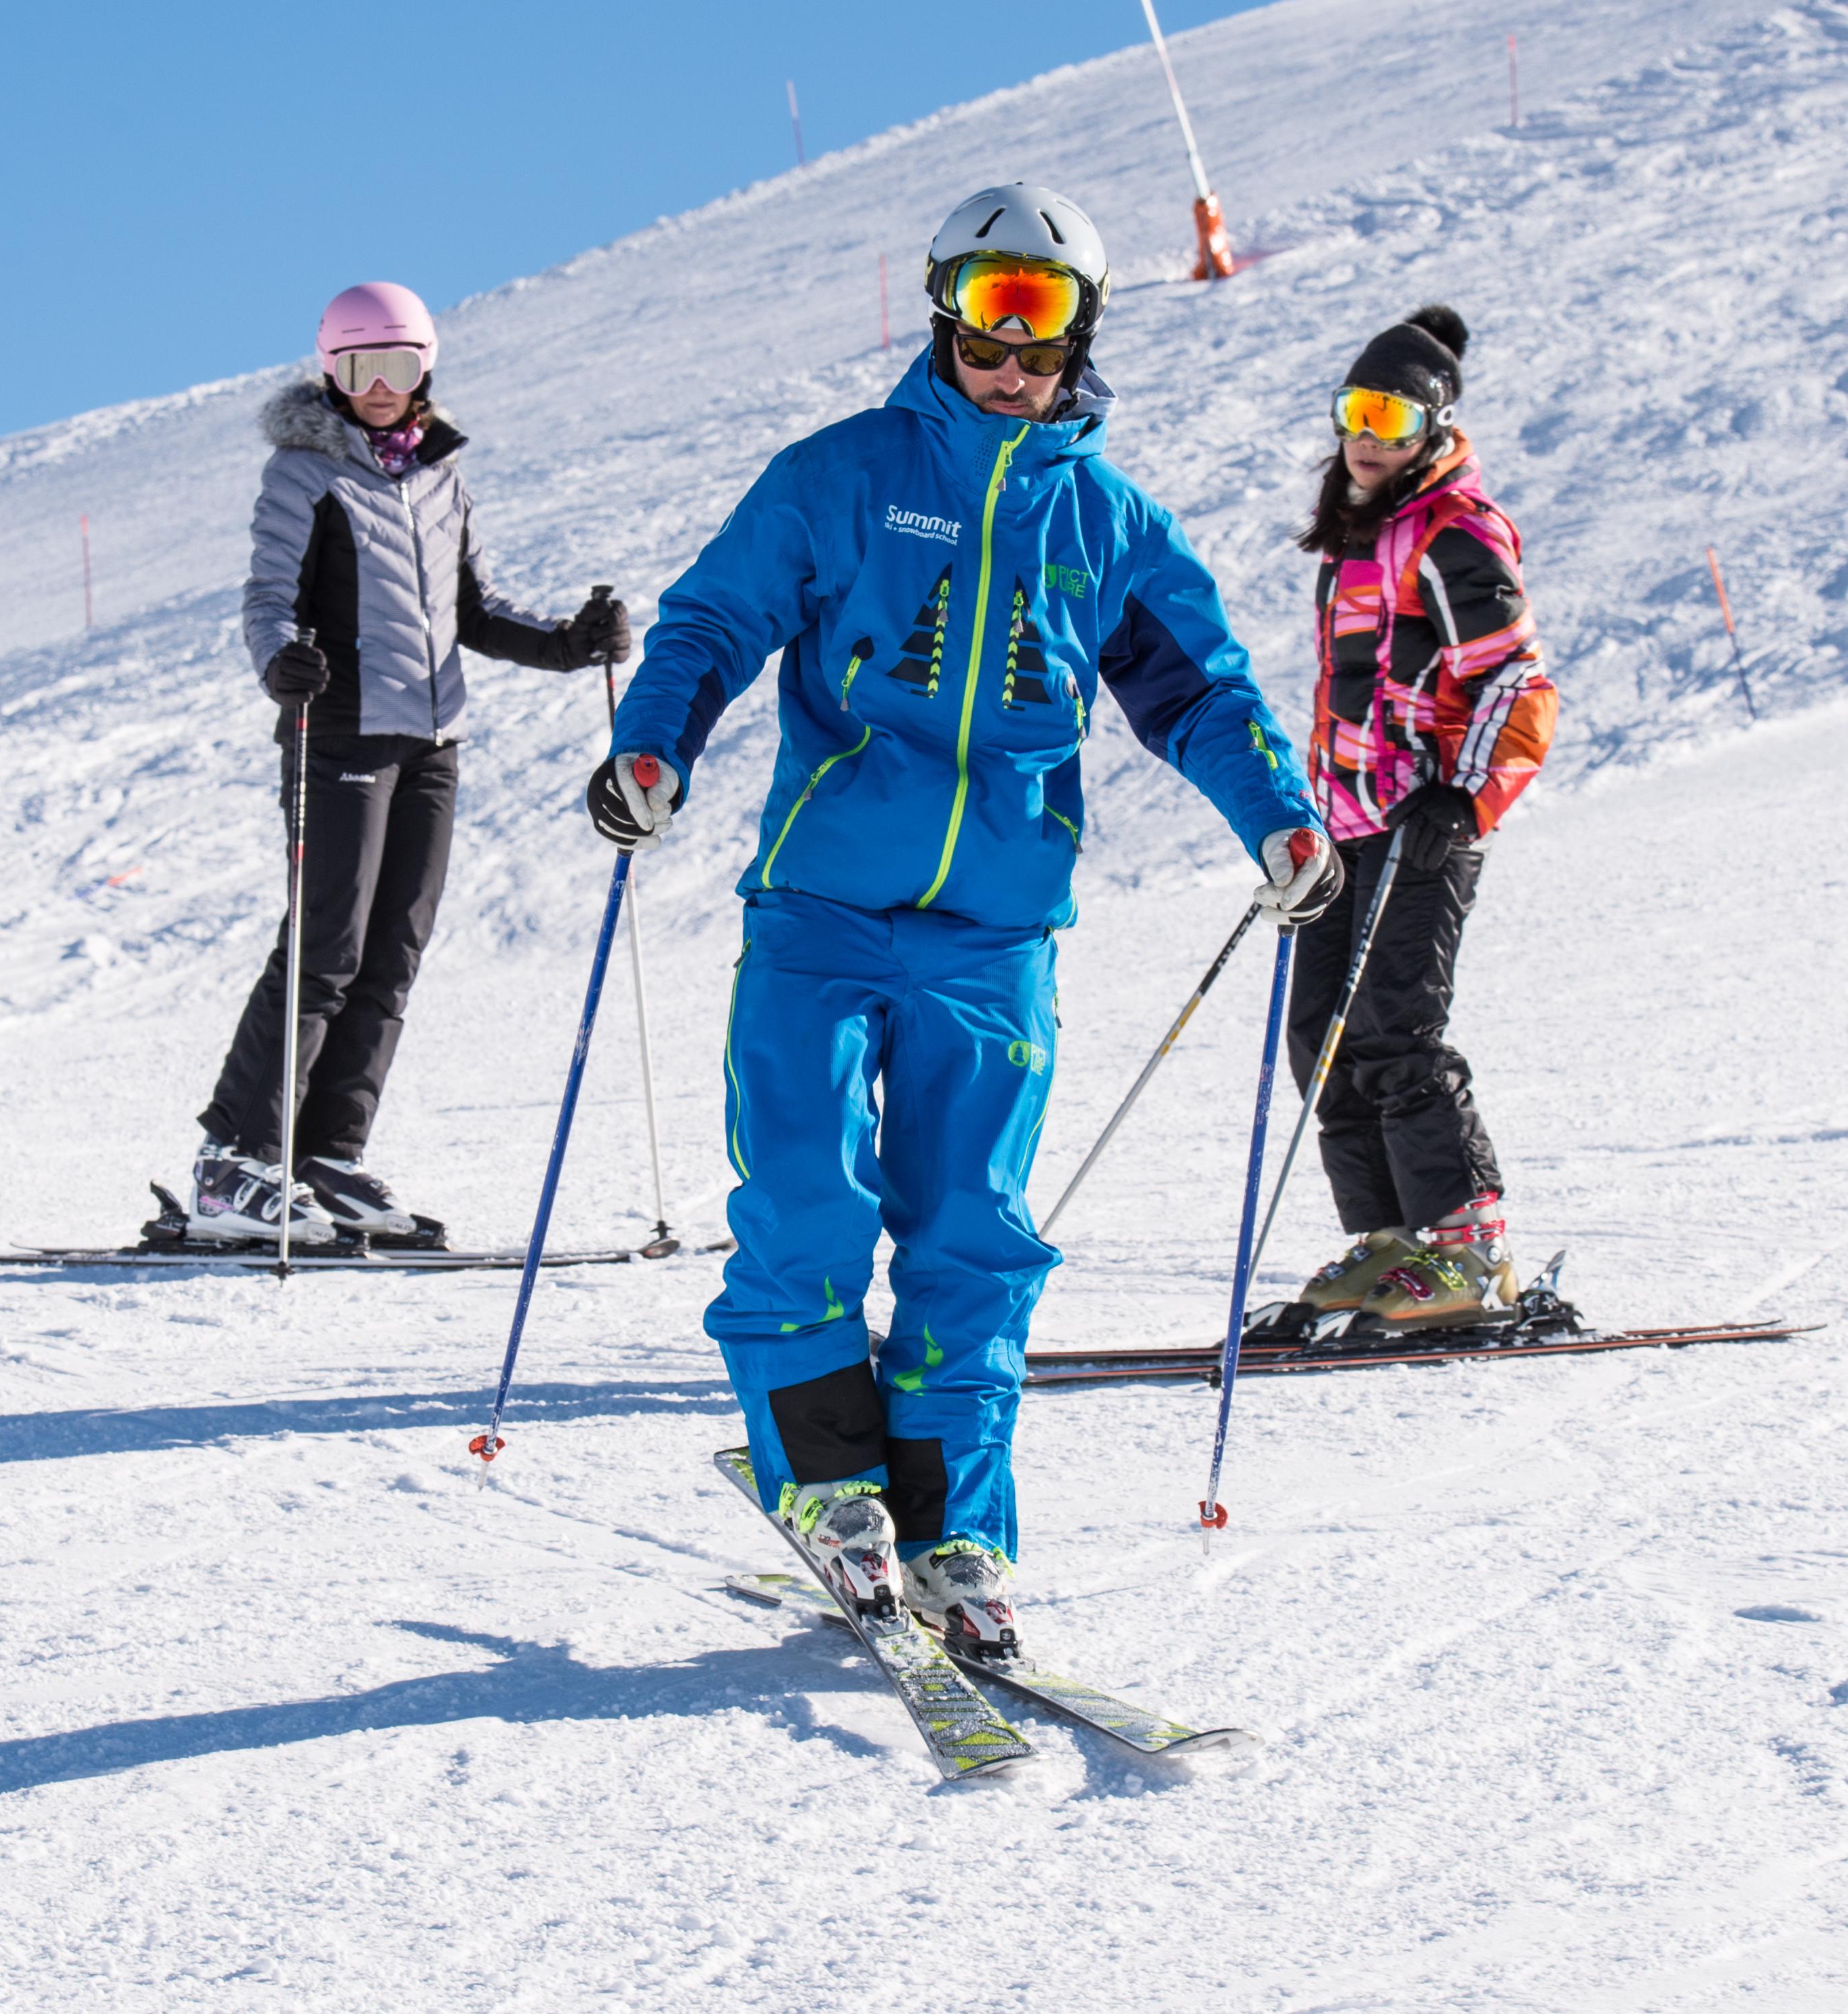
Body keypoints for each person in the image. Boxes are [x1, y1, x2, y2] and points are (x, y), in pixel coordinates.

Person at [590, 186, 1333, 1654]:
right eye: (990, 312)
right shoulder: (842, 475)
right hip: (818, 904)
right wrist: (652, 743)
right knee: (805, 1200)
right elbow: (712, 620)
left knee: (970, 1234)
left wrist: (1277, 815)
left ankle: (957, 1530)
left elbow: (1195, 693)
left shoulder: (1107, 520)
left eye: (1042, 320)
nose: (1012, 353)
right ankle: (830, 1485)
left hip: (996, 929)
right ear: (946, 313)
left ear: (1079, 336)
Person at [189, 283, 632, 1244]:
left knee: (392, 954)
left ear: (424, 367)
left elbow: (472, 609)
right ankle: (234, 1161)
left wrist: (570, 642)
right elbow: (268, 598)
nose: (380, 388)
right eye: (359, 369)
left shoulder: (441, 475)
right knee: (326, 948)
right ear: (330, 371)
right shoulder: (303, 474)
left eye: (397, 367)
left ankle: (327, 1156)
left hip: (433, 744)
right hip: (338, 732)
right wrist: (283, 664)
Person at [1285, 307, 1557, 1328]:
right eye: (1356, 409)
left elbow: (1519, 684)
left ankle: (1468, 1247)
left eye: (1391, 417)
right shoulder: (1356, 540)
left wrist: (1466, 796)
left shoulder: (1456, 531)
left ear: (1433, 430)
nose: (1366, 434)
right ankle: (1394, 1241)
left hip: (1419, 828)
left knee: (1398, 1026)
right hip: (1347, 830)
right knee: (1324, 1037)